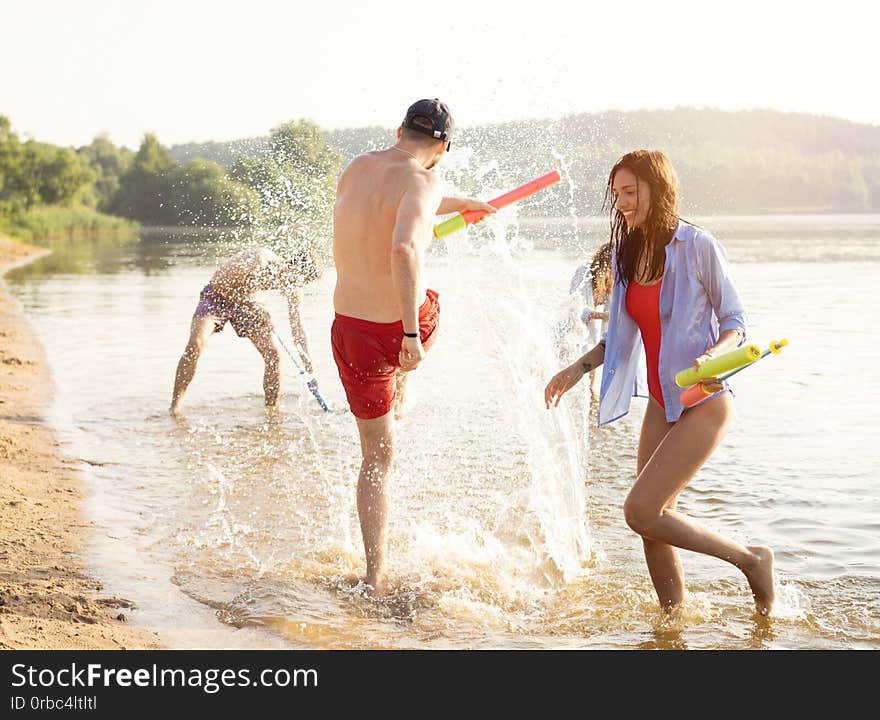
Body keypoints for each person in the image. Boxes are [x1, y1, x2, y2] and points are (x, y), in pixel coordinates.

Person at [544, 150, 775, 616]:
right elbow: (619, 337)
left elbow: (736, 321)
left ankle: (751, 561)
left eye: (631, 192)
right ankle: (673, 621)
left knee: (641, 510)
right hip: (659, 403)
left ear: (658, 188)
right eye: (617, 195)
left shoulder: (697, 246)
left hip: (704, 400)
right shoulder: (628, 254)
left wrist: (714, 354)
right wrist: (576, 369)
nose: (623, 203)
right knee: (651, 523)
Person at [332, 98, 496, 596]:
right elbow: (404, 245)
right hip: (398, 329)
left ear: (399, 129)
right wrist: (409, 336)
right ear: (442, 149)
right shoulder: (427, 181)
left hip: (349, 329)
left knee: (375, 458)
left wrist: (460, 202)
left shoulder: (356, 167)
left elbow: (396, 202)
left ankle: (374, 575)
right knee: (430, 305)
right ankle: (403, 382)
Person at [170, 245, 320, 416]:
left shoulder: (294, 286)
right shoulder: (260, 260)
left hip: (249, 301)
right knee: (195, 345)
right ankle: (174, 408)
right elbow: (221, 286)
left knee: (273, 354)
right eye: (298, 280)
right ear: (291, 267)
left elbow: (298, 329)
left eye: (303, 283)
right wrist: (252, 306)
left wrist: (310, 372)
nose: (296, 285)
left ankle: (271, 412)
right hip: (217, 296)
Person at [568, 242, 612, 398]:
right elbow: (576, 309)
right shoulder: (585, 272)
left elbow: (611, 316)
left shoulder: (610, 281)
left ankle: (591, 397)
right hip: (569, 331)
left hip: (590, 337)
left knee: (590, 386)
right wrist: (603, 316)